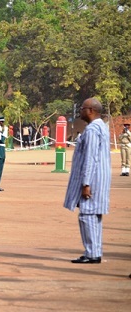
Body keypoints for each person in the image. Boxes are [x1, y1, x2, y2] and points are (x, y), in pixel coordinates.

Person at [64, 98, 111, 264]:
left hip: (93, 179)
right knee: (94, 215)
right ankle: (95, 252)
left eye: (82, 108)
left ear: (90, 110)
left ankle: (92, 253)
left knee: (87, 215)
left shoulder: (92, 130)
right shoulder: (102, 127)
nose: (80, 111)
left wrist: (85, 184)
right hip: (101, 177)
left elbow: (90, 158)